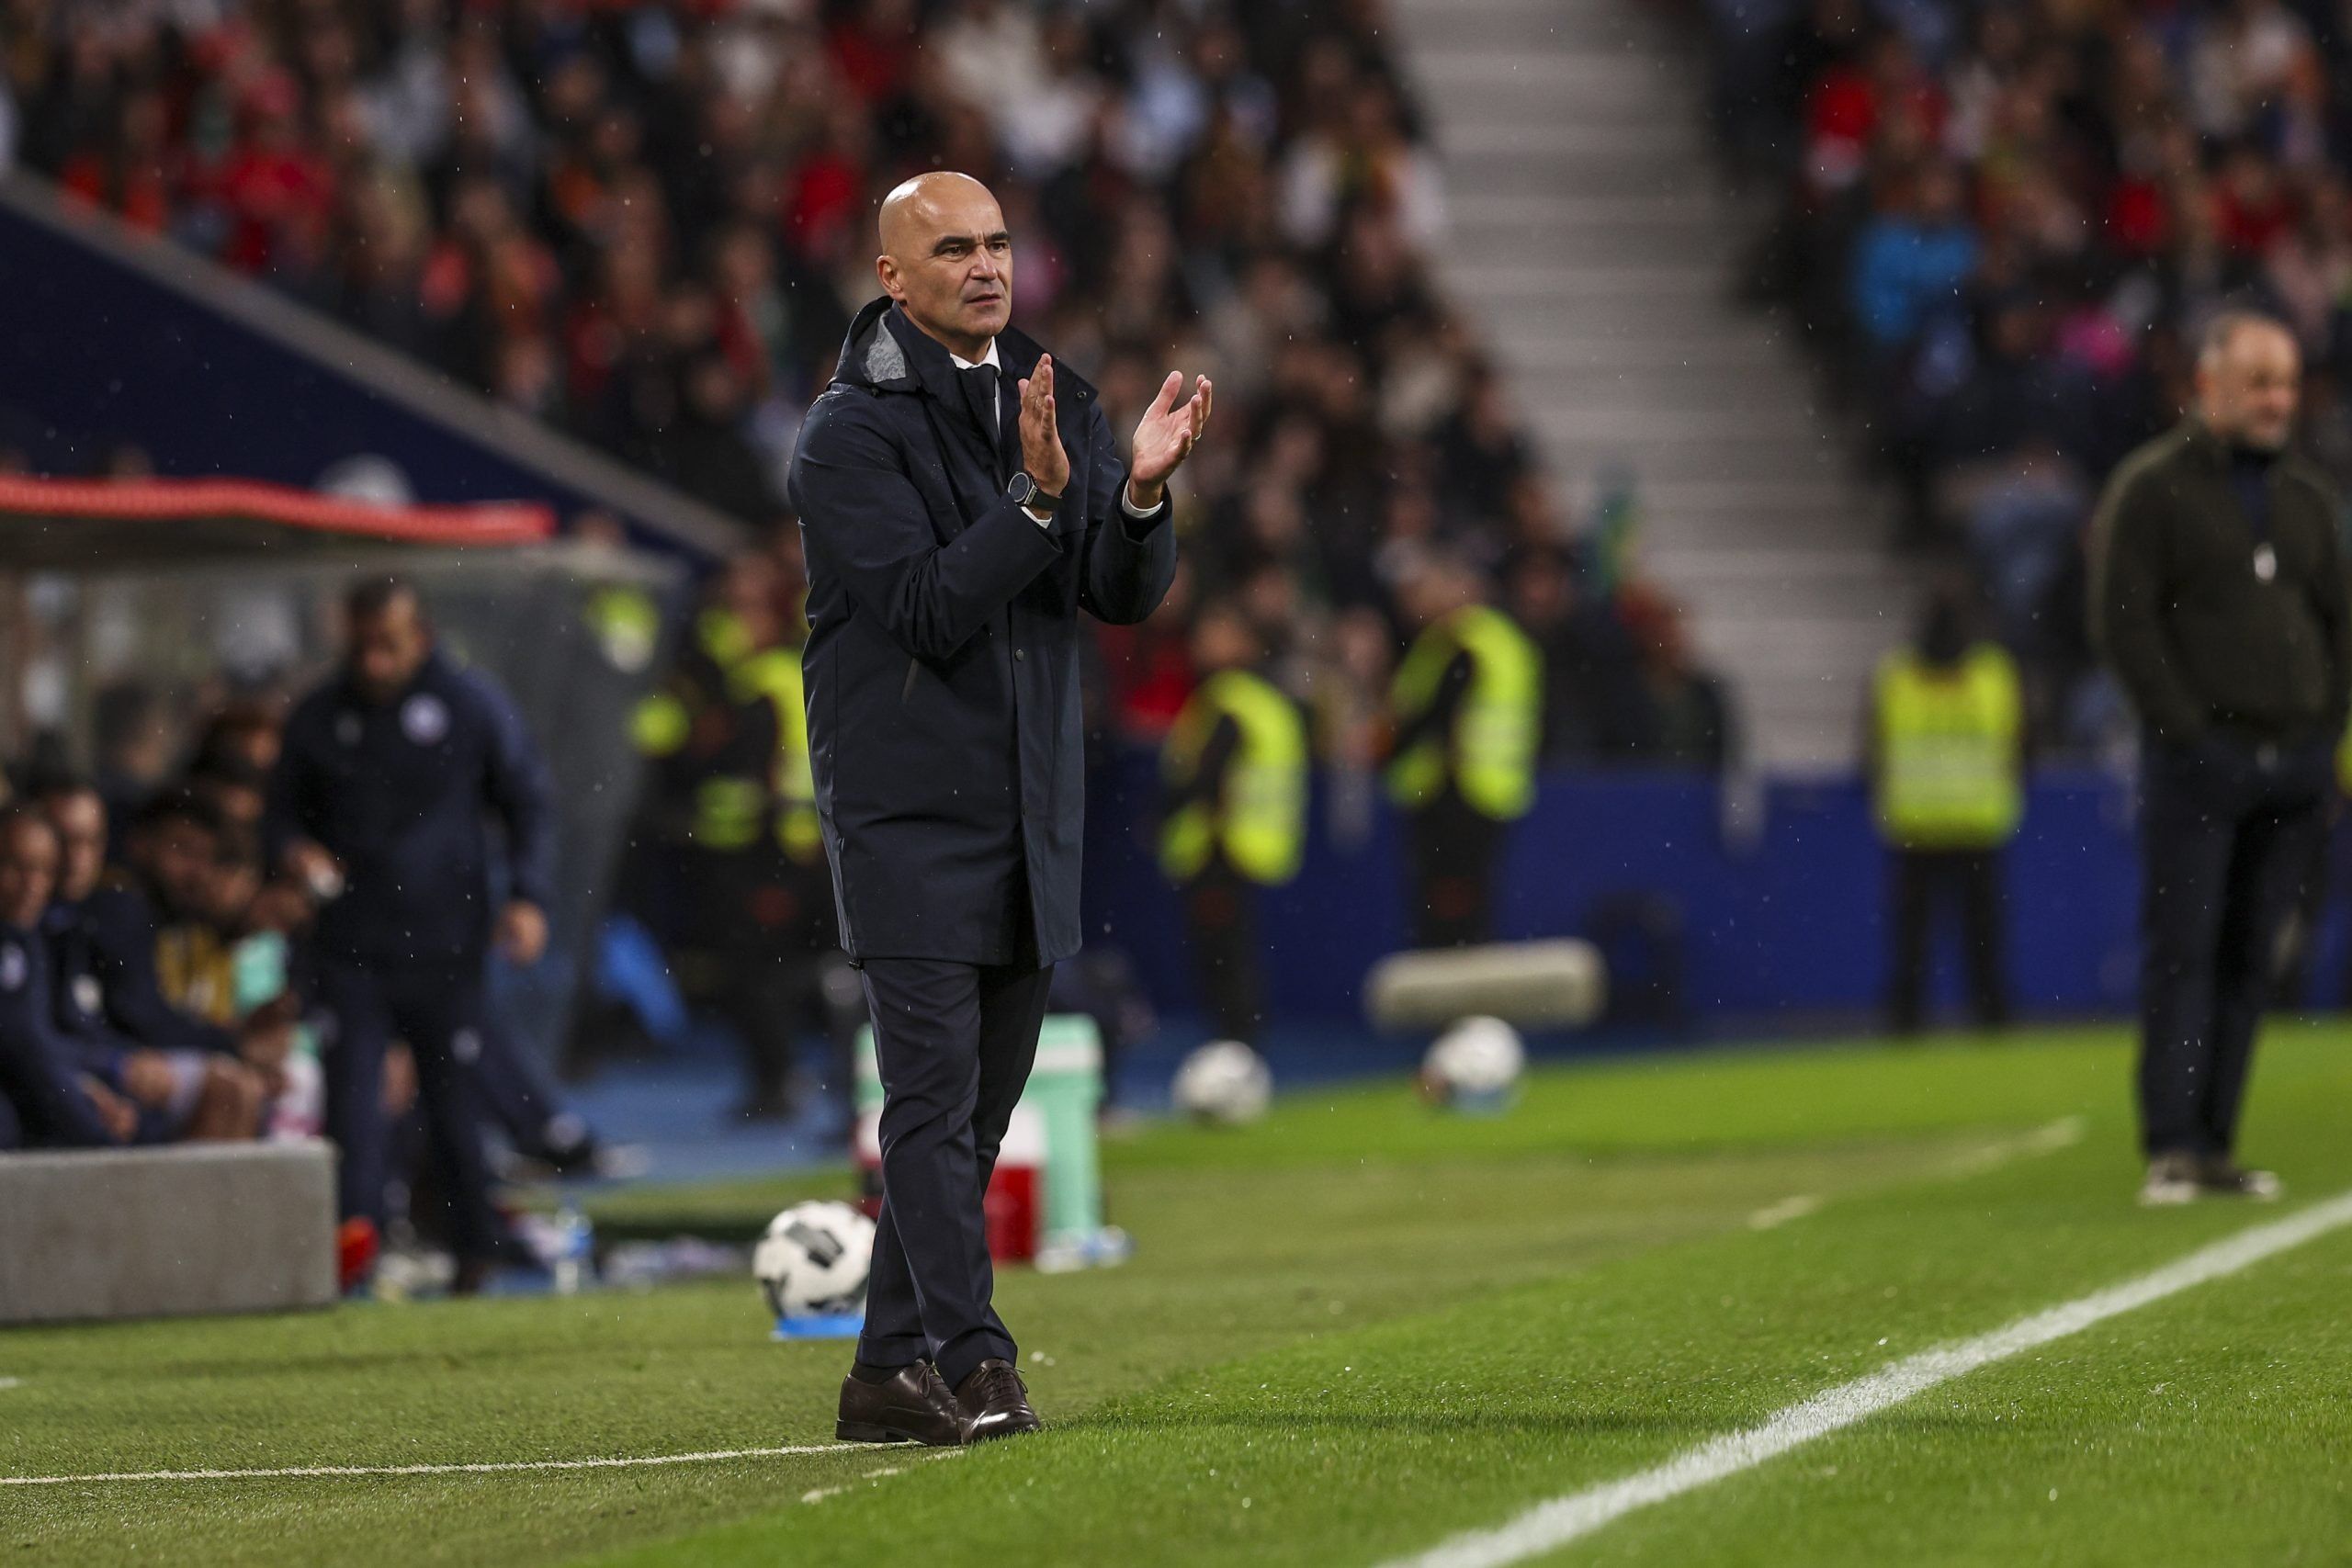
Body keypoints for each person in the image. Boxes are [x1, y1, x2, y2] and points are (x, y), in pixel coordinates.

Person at [787, 171, 1206, 1445]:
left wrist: (1137, 495)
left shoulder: (1053, 394)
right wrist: (1031, 500)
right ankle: (975, 1363)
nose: (985, 266)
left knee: (972, 1118)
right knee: (927, 1104)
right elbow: (924, 607)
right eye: (953, 249)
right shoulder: (846, 433)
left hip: (1030, 810)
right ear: (891, 277)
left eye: (998, 244)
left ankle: (882, 1372)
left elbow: (1113, 594)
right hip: (906, 813)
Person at [2087, 310, 2351, 1206]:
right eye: (2258, 382)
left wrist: (2322, 735)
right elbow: (2122, 622)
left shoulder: (2308, 497)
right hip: (2199, 765)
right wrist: (2189, 735)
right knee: (2184, 950)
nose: (2278, 400)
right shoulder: (2151, 487)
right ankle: (2171, 1143)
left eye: (2287, 382)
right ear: (2208, 386)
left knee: (2250, 959)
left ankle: (2214, 1143)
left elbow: (2339, 624)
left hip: (2293, 765)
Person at [267, 578, 556, 1292]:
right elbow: (280, 815)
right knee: (353, 1107)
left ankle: (473, 1247)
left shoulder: (469, 704)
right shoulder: (318, 715)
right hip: (350, 948)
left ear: (421, 637)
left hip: (445, 945)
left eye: (388, 645)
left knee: (455, 1105)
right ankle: (351, 1252)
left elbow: (526, 799)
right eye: (362, 644)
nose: (374, 661)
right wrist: (295, 853)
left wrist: (527, 895)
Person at [36, 779, 265, 1143]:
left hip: (99, 1060)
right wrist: (233, 1043)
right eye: (183, 851)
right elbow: (139, 1017)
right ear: (139, 843)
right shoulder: (115, 906)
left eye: (91, 842)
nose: (76, 858)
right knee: (228, 1089)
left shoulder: (104, 914)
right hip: (79, 1067)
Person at [1866, 590, 2024, 1034]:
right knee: (1983, 937)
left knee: (1912, 940)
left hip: (1915, 826)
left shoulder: (1895, 675)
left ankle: (1907, 1021)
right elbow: (2021, 745)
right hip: (1978, 824)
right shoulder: (1994, 674)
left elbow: (1871, 752)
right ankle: (1992, 1018)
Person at [1159, 604, 1308, 1043]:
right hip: (1256, 850)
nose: (1203, 642)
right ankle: (1242, 1045)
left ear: (1244, 643)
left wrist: (1164, 811)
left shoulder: (1228, 701)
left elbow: (1206, 777)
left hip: (1221, 850)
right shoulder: (1268, 702)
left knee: (1223, 961)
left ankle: (1236, 1047)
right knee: (1238, 958)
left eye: (1217, 632)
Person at [1385, 556, 1542, 949]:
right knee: (1473, 904)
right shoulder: (1506, 642)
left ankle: (1451, 972)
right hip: (1493, 790)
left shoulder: (1461, 645)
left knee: (1447, 908)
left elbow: (1435, 717)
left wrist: (1386, 747)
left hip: (1455, 793)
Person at [0, 808, 135, 1149]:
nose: (31, 885)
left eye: (43, 871)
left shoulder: (33, 937)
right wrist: (96, 1137)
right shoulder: (12, 943)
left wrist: (86, 1083)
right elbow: (23, 1044)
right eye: (14, 866)